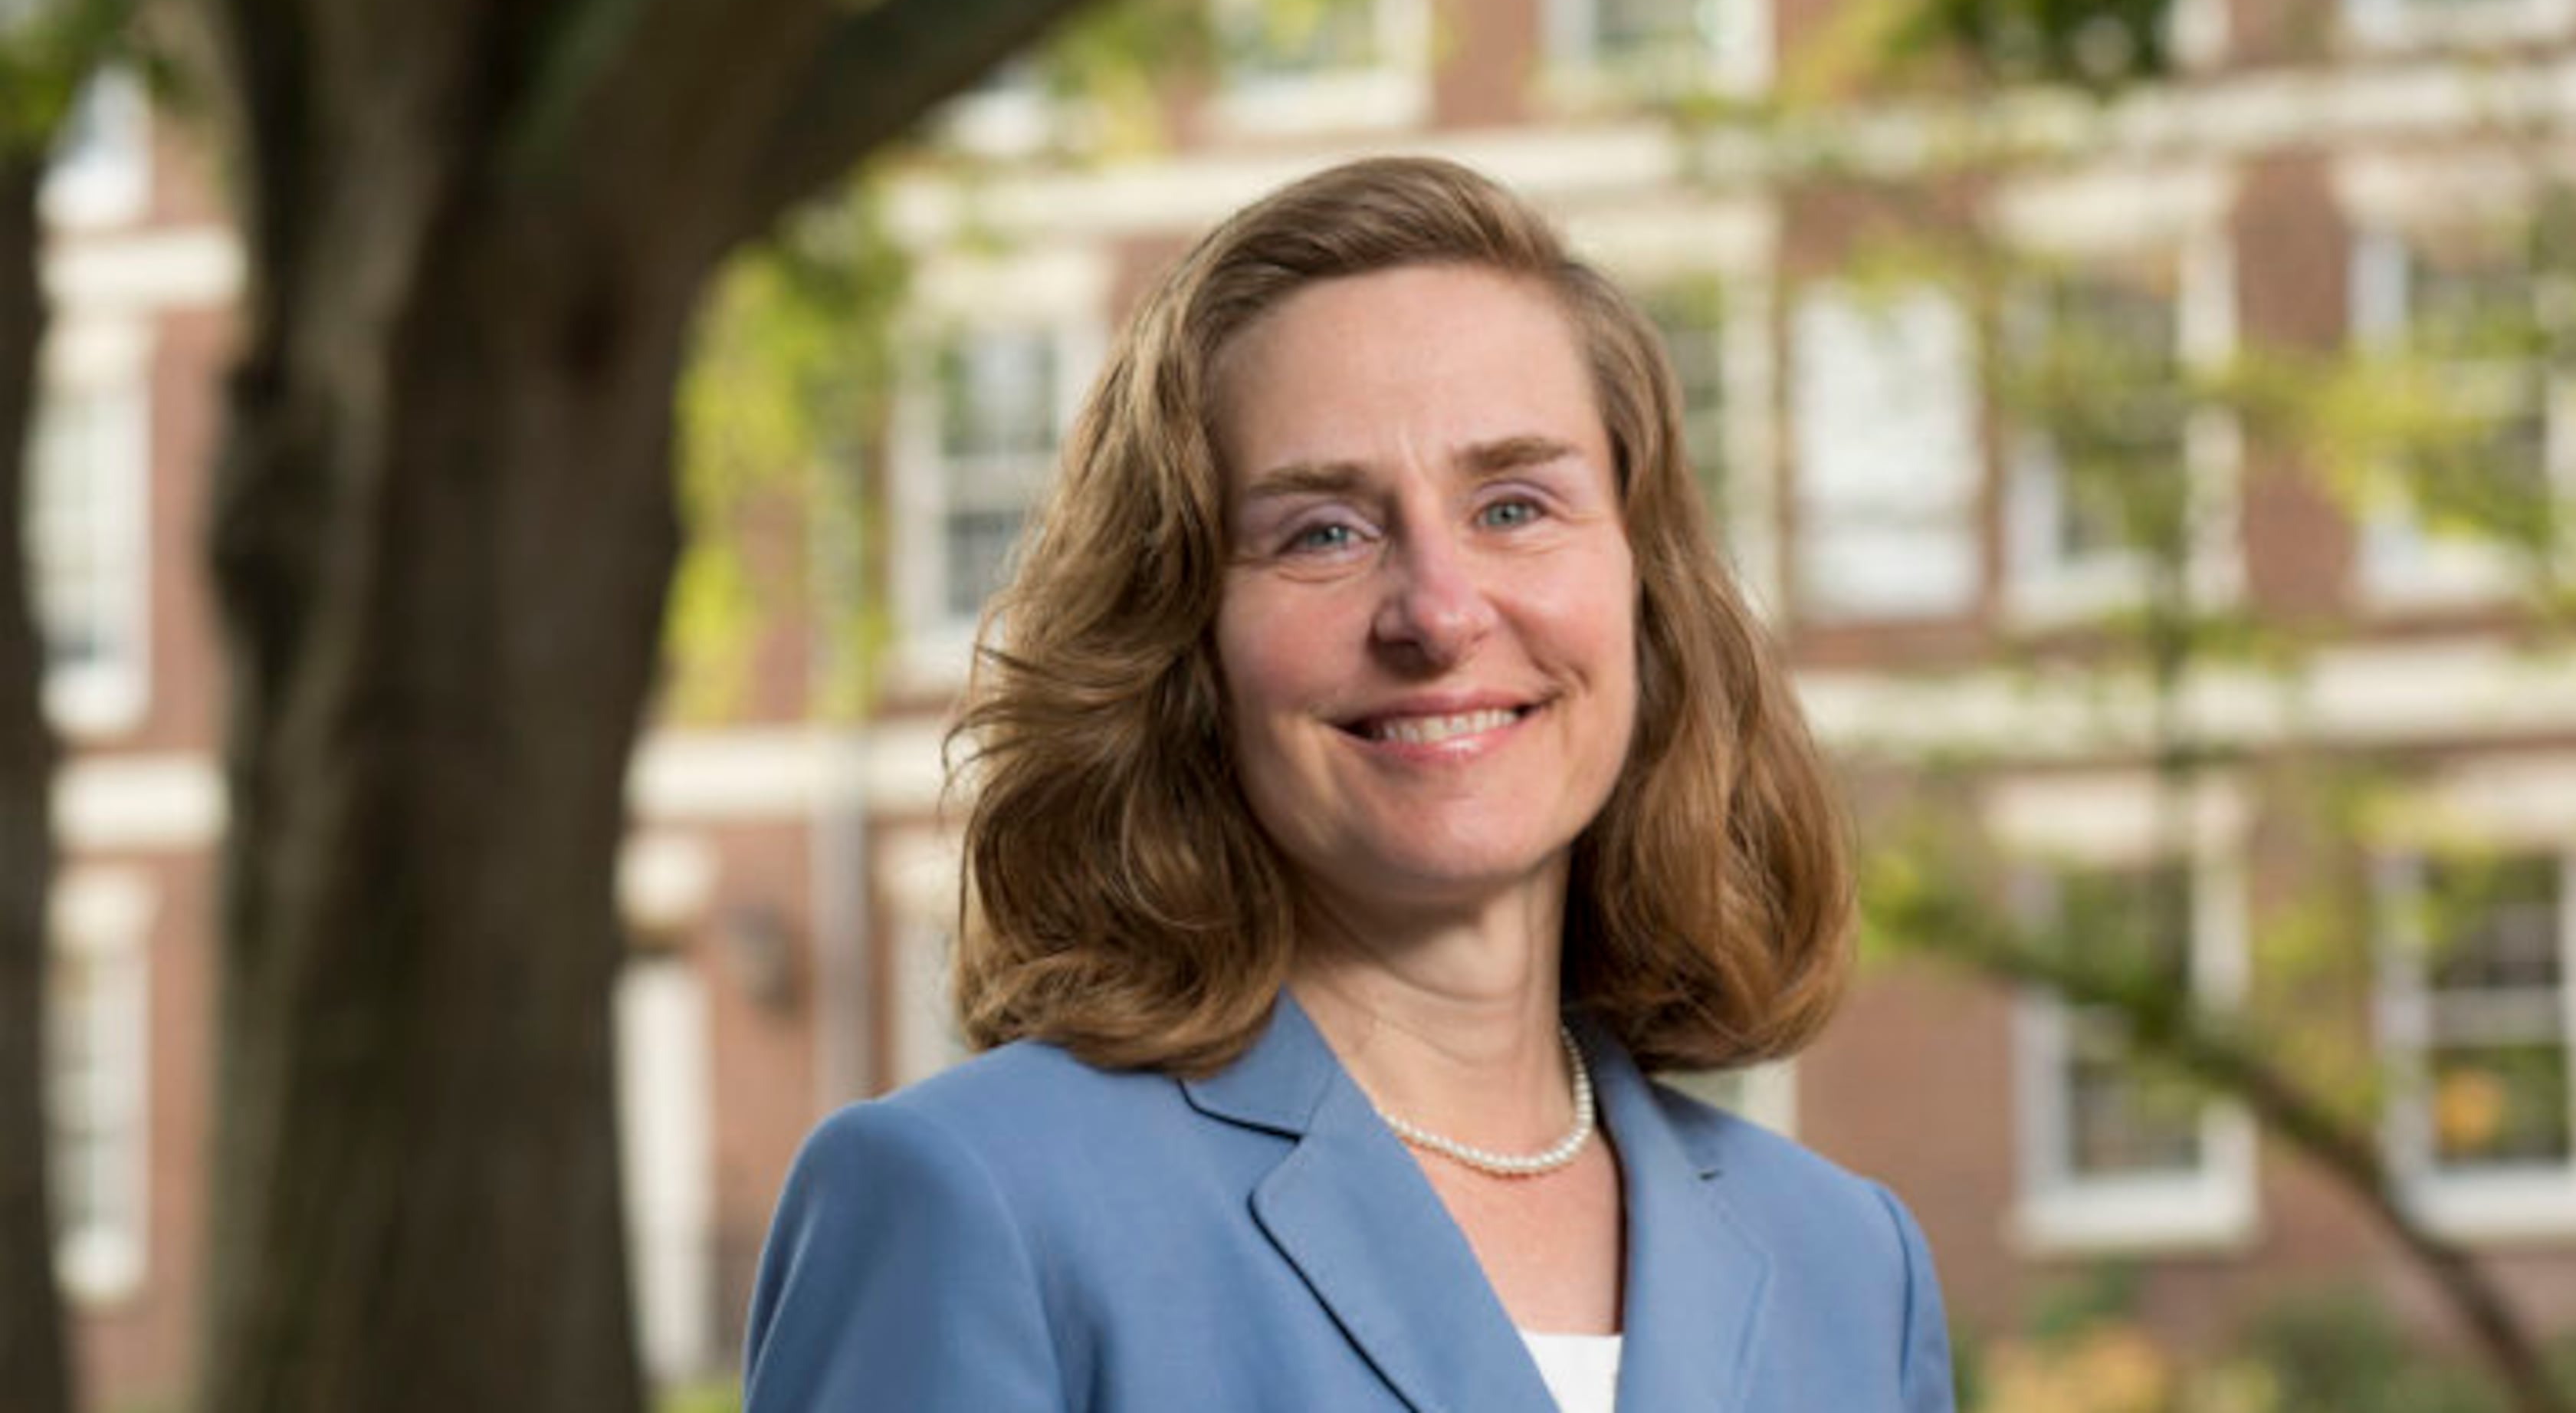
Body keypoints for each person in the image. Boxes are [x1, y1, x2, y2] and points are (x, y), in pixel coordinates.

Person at [743, 156, 1953, 1412]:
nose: (1436, 613)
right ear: (1180, 646)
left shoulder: (1850, 1269)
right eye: (1324, 530)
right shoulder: (977, 1204)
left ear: (1644, 592)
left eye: (1516, 505)